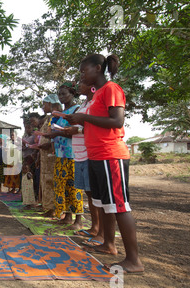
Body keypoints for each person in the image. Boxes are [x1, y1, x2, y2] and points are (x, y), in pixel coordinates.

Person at [66, 53, 144, 274]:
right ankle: (108, 244)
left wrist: (84, 119)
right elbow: (94, 123)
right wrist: (79, 122)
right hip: (96, 155)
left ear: (98, 68)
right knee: (105, 204)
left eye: (84, 71)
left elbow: (117, 121)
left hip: (111, 154)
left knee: (119, 205)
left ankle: (134, 261)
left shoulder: (111, 89)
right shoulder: (96, 94)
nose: (82, 75)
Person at [66, 81, 101, 243]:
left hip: (90, 153)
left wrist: (78, 129)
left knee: (95, 193)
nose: (79, 85)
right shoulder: (84, 104)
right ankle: (94, 226)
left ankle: (99, 228)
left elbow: (97, 126)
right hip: (79, 154)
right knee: (89, 193)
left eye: (82, 82)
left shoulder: (96, 102)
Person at [50, 82, 84, 229]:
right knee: (62, 186)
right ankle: (67, 216)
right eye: (59, 94)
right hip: (60, 154)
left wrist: (59, 132)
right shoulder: (60, 114)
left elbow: (78, 131)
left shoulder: (77, 109)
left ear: (73, 94)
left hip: (72, 154)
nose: (61, 97)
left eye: (64, 94)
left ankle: (79, 220)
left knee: (74, 187)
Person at [33, 94, 60, 216]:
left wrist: (47, 145)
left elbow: (53, 135)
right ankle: (48, 207)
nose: (43, 107)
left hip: (52, 155)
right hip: (44, 156)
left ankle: (54, 209)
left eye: (44, 104)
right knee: (46, 181)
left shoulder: (56, 117)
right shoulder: (48, 119)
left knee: (51, 181)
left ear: (50, 104)